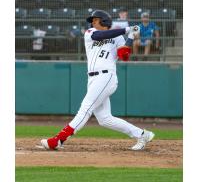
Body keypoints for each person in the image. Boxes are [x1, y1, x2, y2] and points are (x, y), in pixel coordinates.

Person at [40, 10, 155, 151]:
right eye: (92, 20)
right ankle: (142, 134)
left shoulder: (118, 38)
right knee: (105, 119)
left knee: (85, 108)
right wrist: (127, 29)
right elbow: (101, 35)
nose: (93, 22)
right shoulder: (90, 33)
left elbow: (123, 56)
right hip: (93, 79)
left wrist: (130, 36)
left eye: (96, 19)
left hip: (106, 77)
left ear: (104, 21)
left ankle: (58, 140)